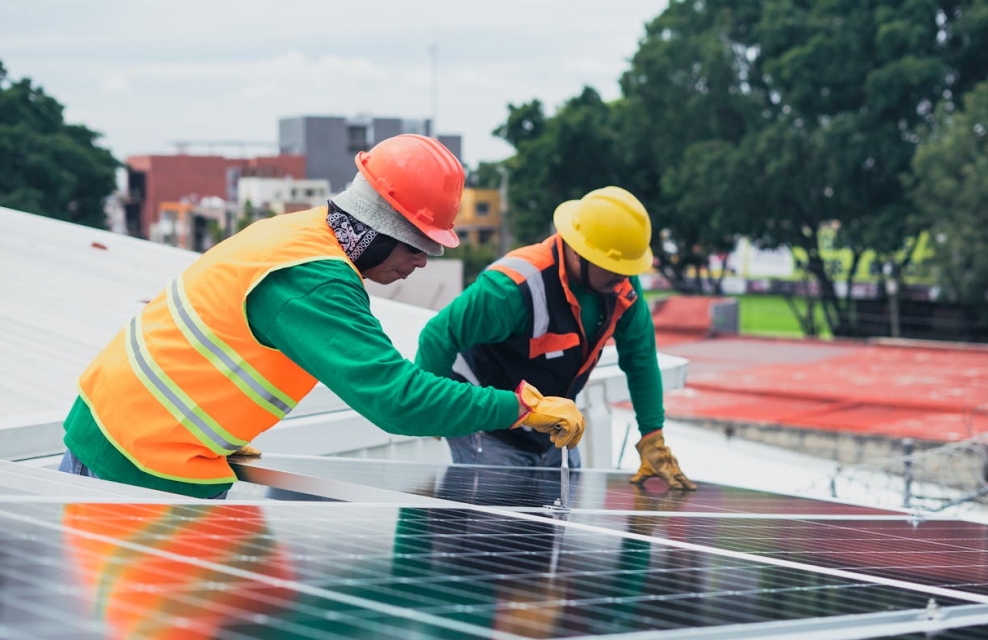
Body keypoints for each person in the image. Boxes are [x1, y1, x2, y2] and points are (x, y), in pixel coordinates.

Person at [58, 134, 584, 498]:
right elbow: (395, 400)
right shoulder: (314, 280)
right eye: (419, 244)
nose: (423, 261)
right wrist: (519, 407)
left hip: (129, 435)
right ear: (381, 226)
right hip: (136, 460)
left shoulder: (299, 234)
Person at [415, 186, 695, 489]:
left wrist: (652, 436)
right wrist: (434, 410)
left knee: (554, 525)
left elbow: (640, 360)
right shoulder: (512, 287)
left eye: (627, 269)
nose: (623, 278)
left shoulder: (621, 289)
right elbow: (438, 336)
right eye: (615, 268)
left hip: (552, 429)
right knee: (498, 524)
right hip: (489, 428)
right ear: (578, 252)